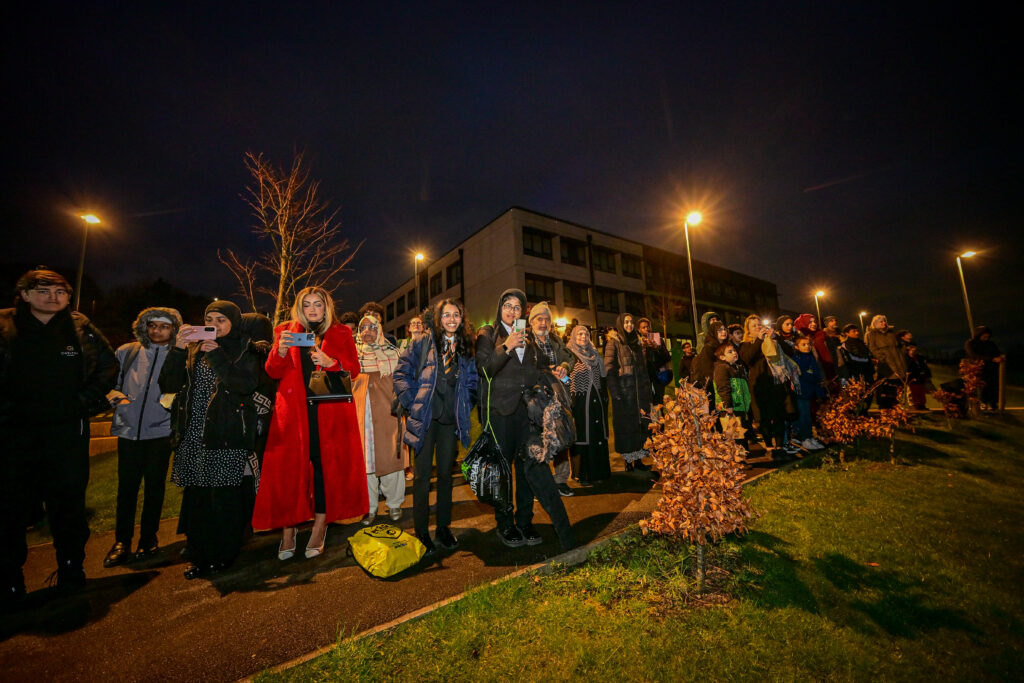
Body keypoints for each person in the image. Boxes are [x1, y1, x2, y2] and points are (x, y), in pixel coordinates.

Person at [0, 269, 117, 605]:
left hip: (66, 431)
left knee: (68, 506)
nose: (53, 296)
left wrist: (82, 403)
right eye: (43, 289)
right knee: (11, 508)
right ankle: (10, 580)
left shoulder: (81, 328)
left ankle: (70, 569)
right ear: (23, 293)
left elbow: (107, 369)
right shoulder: (5, 326)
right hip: (15, 434)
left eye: (60, 291)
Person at [252, 287, 367, 561]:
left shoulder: (341, 333)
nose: (313, 309)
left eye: (318, 304)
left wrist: (331, 362)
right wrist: (279, 351)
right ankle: (288, 531)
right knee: (289, 472)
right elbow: (272, 372)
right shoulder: (285, 331)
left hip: (329, 413)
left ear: (327, 307)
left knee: (325, 472)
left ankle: (318, 528)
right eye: (307, 305)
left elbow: (353, 369)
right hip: (293, 414)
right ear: (299, 308)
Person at [160, 300, 262, 579]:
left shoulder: (246, 348)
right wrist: (178, 349)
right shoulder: (192, 349)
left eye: (221, 320)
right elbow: (168, 385)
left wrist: (217, 355)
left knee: (223, 499)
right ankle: (198, 554)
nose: (214, 325)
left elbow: (245, 384)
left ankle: (224, 553)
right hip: (193, 432)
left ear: (234, 323)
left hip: (226, 433)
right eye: (210, 319)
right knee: (197, 498)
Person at [476, 288, 573, 550]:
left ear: (523, 313)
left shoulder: (528, 340)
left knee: (529, 468)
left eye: (517, 307)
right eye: (507, 306)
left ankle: (525, 521)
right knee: (503, 472)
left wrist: (560, 367)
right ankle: (505, 524)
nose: (512, 311)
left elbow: (543, 365)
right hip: (499, 414)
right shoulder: (488, 334)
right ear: (500, 308)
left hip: (527, 414)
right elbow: (484, 369)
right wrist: (505, 347)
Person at [394, 298, 478, 552]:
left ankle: (443, 528)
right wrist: (412, 402)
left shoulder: (465, 347)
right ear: (437, 319)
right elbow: (401, 374)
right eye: (446, 315)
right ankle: (421, 532)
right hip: (425, 419)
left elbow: (472, 382)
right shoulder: (421, 342)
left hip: (449, 421)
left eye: (456, 315)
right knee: (421, 479)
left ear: (462, 319)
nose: (451, 319)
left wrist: (466, 404)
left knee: (445, 476)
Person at [103, 307, 182, 568]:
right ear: (144, 326)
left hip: (160, 432)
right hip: (128, 431)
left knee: (154, 488)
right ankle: (121, 541)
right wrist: (120, 403)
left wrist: (167, 405)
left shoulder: (177, 354)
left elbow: (180, 387)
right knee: (126, 489)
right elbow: (108, 384)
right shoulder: (127, 352)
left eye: (164, 326)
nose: (157, 330)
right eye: (152, 325)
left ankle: (148, 538)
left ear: (173, 329)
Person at [353, 314, 405, 524]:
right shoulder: (352, 356)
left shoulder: (393, 354)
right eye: (363, 328)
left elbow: (403, 383)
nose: (367, 331)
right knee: (366, 464)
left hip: (388, 415)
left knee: (391, 458)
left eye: (372, 328)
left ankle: (394, 504)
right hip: (361, 418)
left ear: (380, 331)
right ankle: (370, 507)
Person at [529, 302, 575, 496]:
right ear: (531, 322)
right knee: (539, 438)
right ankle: (540, 483)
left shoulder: (556, 341)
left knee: (561, 434)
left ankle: (560, 480)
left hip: (558, 394)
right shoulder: (525, 341)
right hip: (537, 396)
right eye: (539, 319)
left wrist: (564, 365)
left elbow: (571, 358)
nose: (543, 323)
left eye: (547, 319)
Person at [739, 315, 799, 459]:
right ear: (748, 330)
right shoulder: (746, 344)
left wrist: (775, 338)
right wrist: (759, 340)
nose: (758, 327)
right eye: (754, 325)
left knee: (779, 415)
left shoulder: (773, 340)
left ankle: (779, 447)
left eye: (759, 324)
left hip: (776, 383)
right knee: (764, 418)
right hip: (759, 385)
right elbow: (748, 358)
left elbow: (790, 352)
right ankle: (769, 447)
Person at [604, 312, 654, 472]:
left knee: (639, 425)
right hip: (624, 393)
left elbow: (643, 369)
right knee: (626, 427)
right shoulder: (614, 343)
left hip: (639, 393)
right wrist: (615, 391)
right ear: (620, 324)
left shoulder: (637, 343)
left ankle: (638, 460)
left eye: (631, 322)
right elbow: (609, 369)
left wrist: (647, 388)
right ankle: (628, 462)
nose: (629, 325)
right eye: (626, 322)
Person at [565, 325, 610, 485]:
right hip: (579, 402)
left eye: (586, 334)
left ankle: (599, 472)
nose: (583, 337)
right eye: (580, 334)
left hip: (596, 401)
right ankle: (582, 475)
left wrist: (604, 397)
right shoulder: (569, 354)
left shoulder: (595, 354)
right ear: (574, 336)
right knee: (582, 436)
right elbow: (563, 377)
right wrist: (568, 388)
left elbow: (603, 377)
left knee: (597, 434)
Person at [713, 343, 752, 451]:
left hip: (739, 406)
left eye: (734, 350)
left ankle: (742, 456)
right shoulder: (722, 368)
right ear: (722, 357)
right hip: (731, 406)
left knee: (740, 433)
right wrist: (727, 404)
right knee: (735, 435)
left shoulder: (737, 367)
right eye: (730, 352)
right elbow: (723, 387)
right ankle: (739, 459)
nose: (734, 353)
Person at [792, 336, 826, 451]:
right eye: (803, 344)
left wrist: (819, 391)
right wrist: (811, 375)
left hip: (809, 391)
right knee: (803, 415)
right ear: (796, 347)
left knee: (808, 415)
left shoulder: (810, 357)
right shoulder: (796, 358)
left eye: (808, 344)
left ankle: (809, 437)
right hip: (801, 392)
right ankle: (805, 439)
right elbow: (802, 374)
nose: (807, 347)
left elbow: (816, 374)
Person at [865, 315, 906, 409]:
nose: (884, 323)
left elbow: (899, 346)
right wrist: (882, 358)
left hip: (899, 363)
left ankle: (896, 410)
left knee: (898, 388)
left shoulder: (891, 333)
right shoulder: (872, 334)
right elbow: (872, 348)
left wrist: (902, 355)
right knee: (887, 388)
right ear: (875, 324)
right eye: (881, 322)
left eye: (884, 321)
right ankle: (886, 410)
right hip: (886, 365)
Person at [965, 326, 1005, 409]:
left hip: (992, 369)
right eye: (984, 336)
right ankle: (982, 403)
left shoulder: (991, 344)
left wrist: (1000, 357)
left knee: (993, 387)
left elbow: (997, 353)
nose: (986, 338)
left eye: (987, 337)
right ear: (979, 335)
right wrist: (991, 359)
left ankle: (993, 403)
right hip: (978, 369)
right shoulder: (970, 343)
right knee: (982, 387)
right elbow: (974, 356)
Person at [638, 317, 672, 408]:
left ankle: (660, 420)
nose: (646, 329)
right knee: (648, 402)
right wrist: (643, 349)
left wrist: (657, 348)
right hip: (645, 377)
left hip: (658, 376)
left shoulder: (658, 340)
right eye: (643, 327)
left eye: (648, 327)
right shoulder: (638, 343)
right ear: (639, 330)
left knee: (659, 402)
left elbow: (667, 357)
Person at [793, 313, 835, 382]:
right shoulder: (798, 339)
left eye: (814, 321)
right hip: (810, 376)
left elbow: (833, 354)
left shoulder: (822, 335)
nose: (814, 324)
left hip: (828, 372)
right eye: (810, 322)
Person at [905, 343, 932, 410]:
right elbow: (908, 368)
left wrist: (927, 375)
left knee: (921, 392)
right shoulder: (906, 359)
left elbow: (924, 367)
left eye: (914, 349)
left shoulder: (919, 358)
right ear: (909, 350)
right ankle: (913, 405)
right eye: (912, 349)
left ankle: (921, 405)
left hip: (920, 377)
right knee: (912, 392)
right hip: (912, 378)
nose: (914, 351)